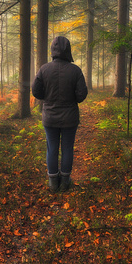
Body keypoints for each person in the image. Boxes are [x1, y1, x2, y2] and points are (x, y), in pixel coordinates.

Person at [32, 36, 88, 192]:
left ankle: (52, 183)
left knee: (52, 148)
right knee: (67, 148)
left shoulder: (44, 69)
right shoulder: (75, 70)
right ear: (68, 50)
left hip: (49, 117)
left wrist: (48, 99)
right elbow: (82, 95)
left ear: (53, 50)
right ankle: (64, 182)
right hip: (70, 118)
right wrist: (73, 98)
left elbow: (35, 91)